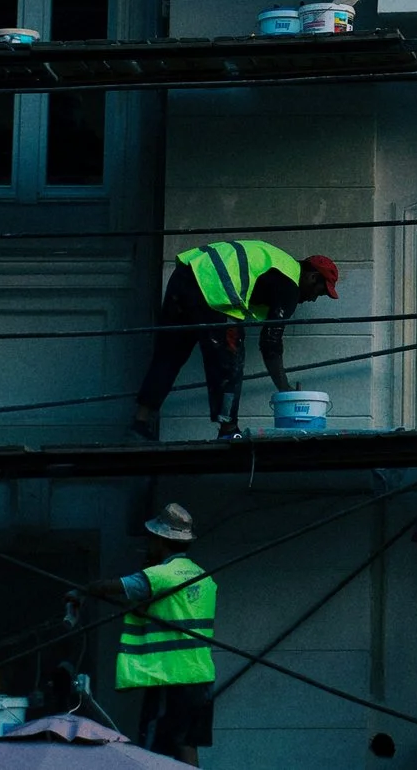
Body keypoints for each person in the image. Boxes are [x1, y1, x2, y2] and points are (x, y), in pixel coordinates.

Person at [132, 242, 340, 441]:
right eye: (320, 292)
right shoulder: (288, 283)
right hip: (215, 287)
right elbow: (270, 343)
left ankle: (139, 423)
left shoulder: (276, 263)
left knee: (169, 354)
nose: (313, 299)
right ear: (313, 277)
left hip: (187, 274)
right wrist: (284, 388)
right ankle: (228, 429)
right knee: (231, 357)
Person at [72, 503, 215, 765]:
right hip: (201, 677)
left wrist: (84, 589)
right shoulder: (203, 577)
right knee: (186, 744)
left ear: (161, 540)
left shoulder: (161, 575)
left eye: (152, 539)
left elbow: (117, 587)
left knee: (153, 746)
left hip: (170, 676)